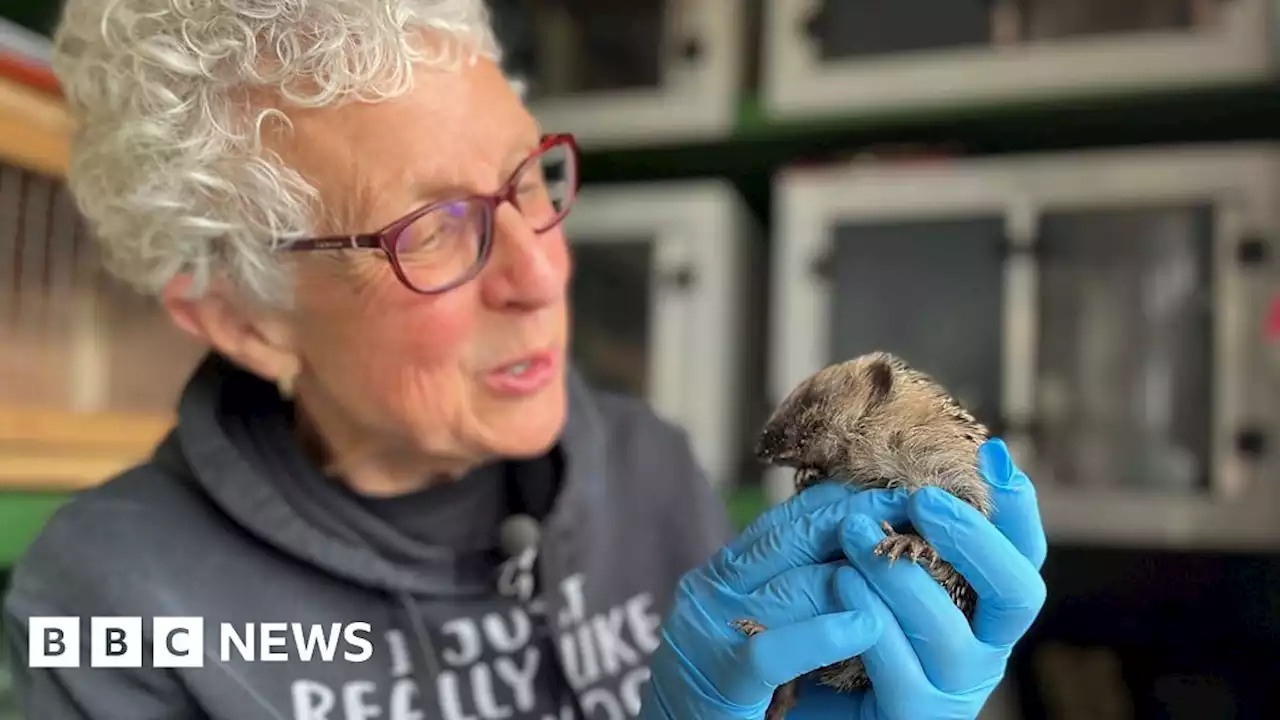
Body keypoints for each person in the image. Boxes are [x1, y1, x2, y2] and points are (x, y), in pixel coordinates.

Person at [2, 1, 1048, 718]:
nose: (542, 275)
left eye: (529, 179)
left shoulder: (645, 469)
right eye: (431, 231)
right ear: (238, 315)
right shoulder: (105, 609)